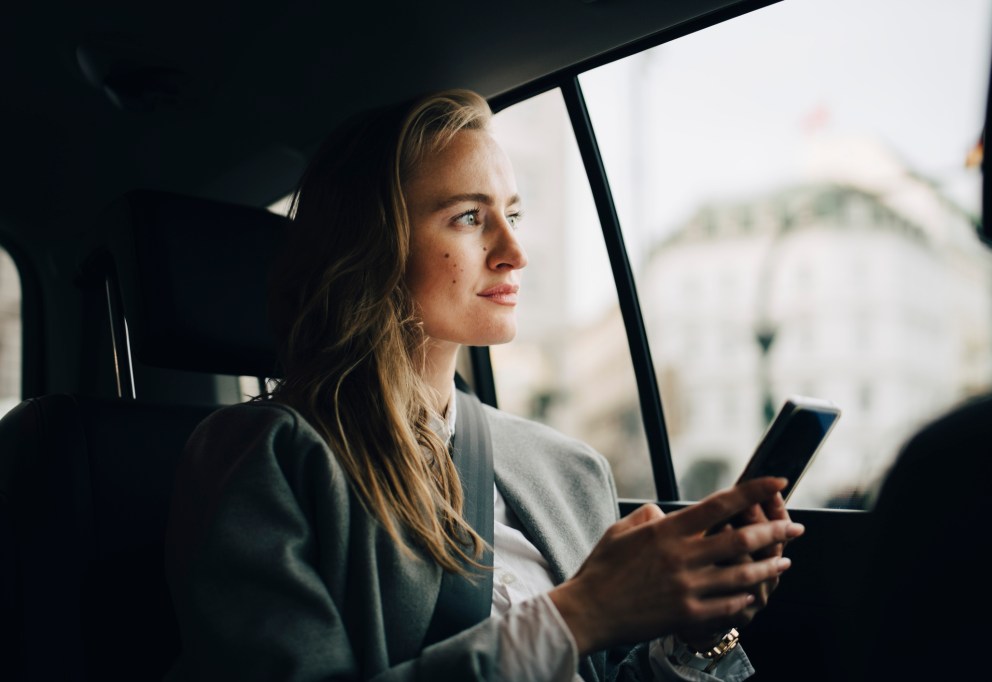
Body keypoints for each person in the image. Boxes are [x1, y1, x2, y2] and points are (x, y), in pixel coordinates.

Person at [164, 89, 803, 682]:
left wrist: (696, 640)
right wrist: (579, 613)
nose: (514, 251)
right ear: (373, 245)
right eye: (469, 217)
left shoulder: (570, 470)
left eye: (514, 213)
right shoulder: (268, 458)